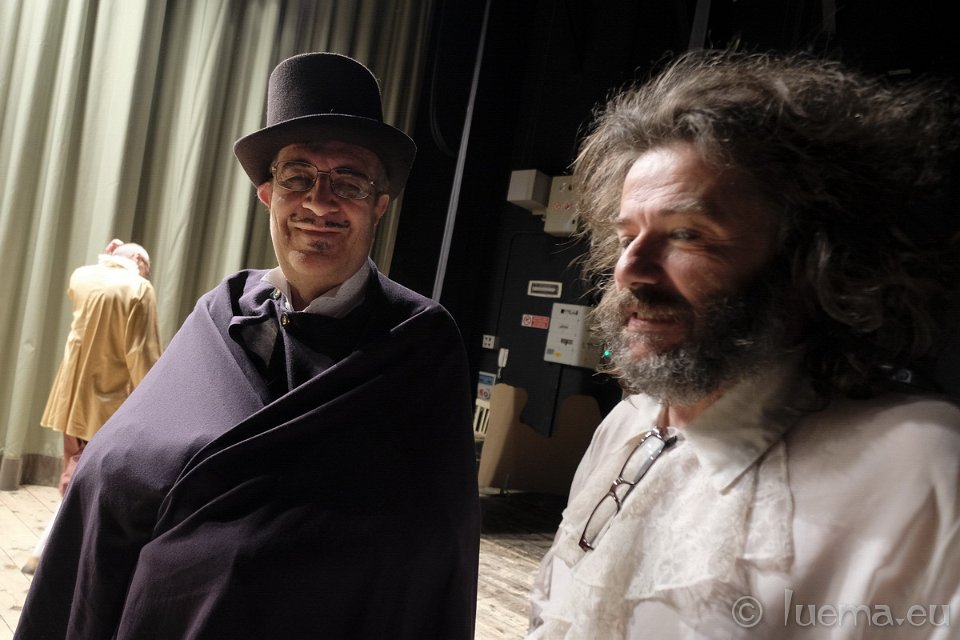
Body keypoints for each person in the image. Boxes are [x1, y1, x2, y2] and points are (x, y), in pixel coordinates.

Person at [16, 52, 480, 639]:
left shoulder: (418, 340)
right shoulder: (224, 310)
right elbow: (123, 458)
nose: (319, 203)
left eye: (348, 183)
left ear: (379, 206)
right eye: (298, 178)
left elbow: (436, 534)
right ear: (267, 195)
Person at [529, 50, 960, 638]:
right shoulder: (625, 424)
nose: (630, 270)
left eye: (687, 234)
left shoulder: (923, 469)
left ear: (812, 258)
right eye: (628, 236)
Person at [20, 240, 161, 575]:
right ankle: (52, 553)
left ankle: (49, 550)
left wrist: (108, 258)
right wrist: (156, 400)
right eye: (146, 267)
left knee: (72, 469)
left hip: (71, 398)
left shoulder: (83, 276)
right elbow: (141, 353)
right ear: (137, 259)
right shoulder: (139, 289)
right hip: (109, 400)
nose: (146, 274)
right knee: (92, 479)